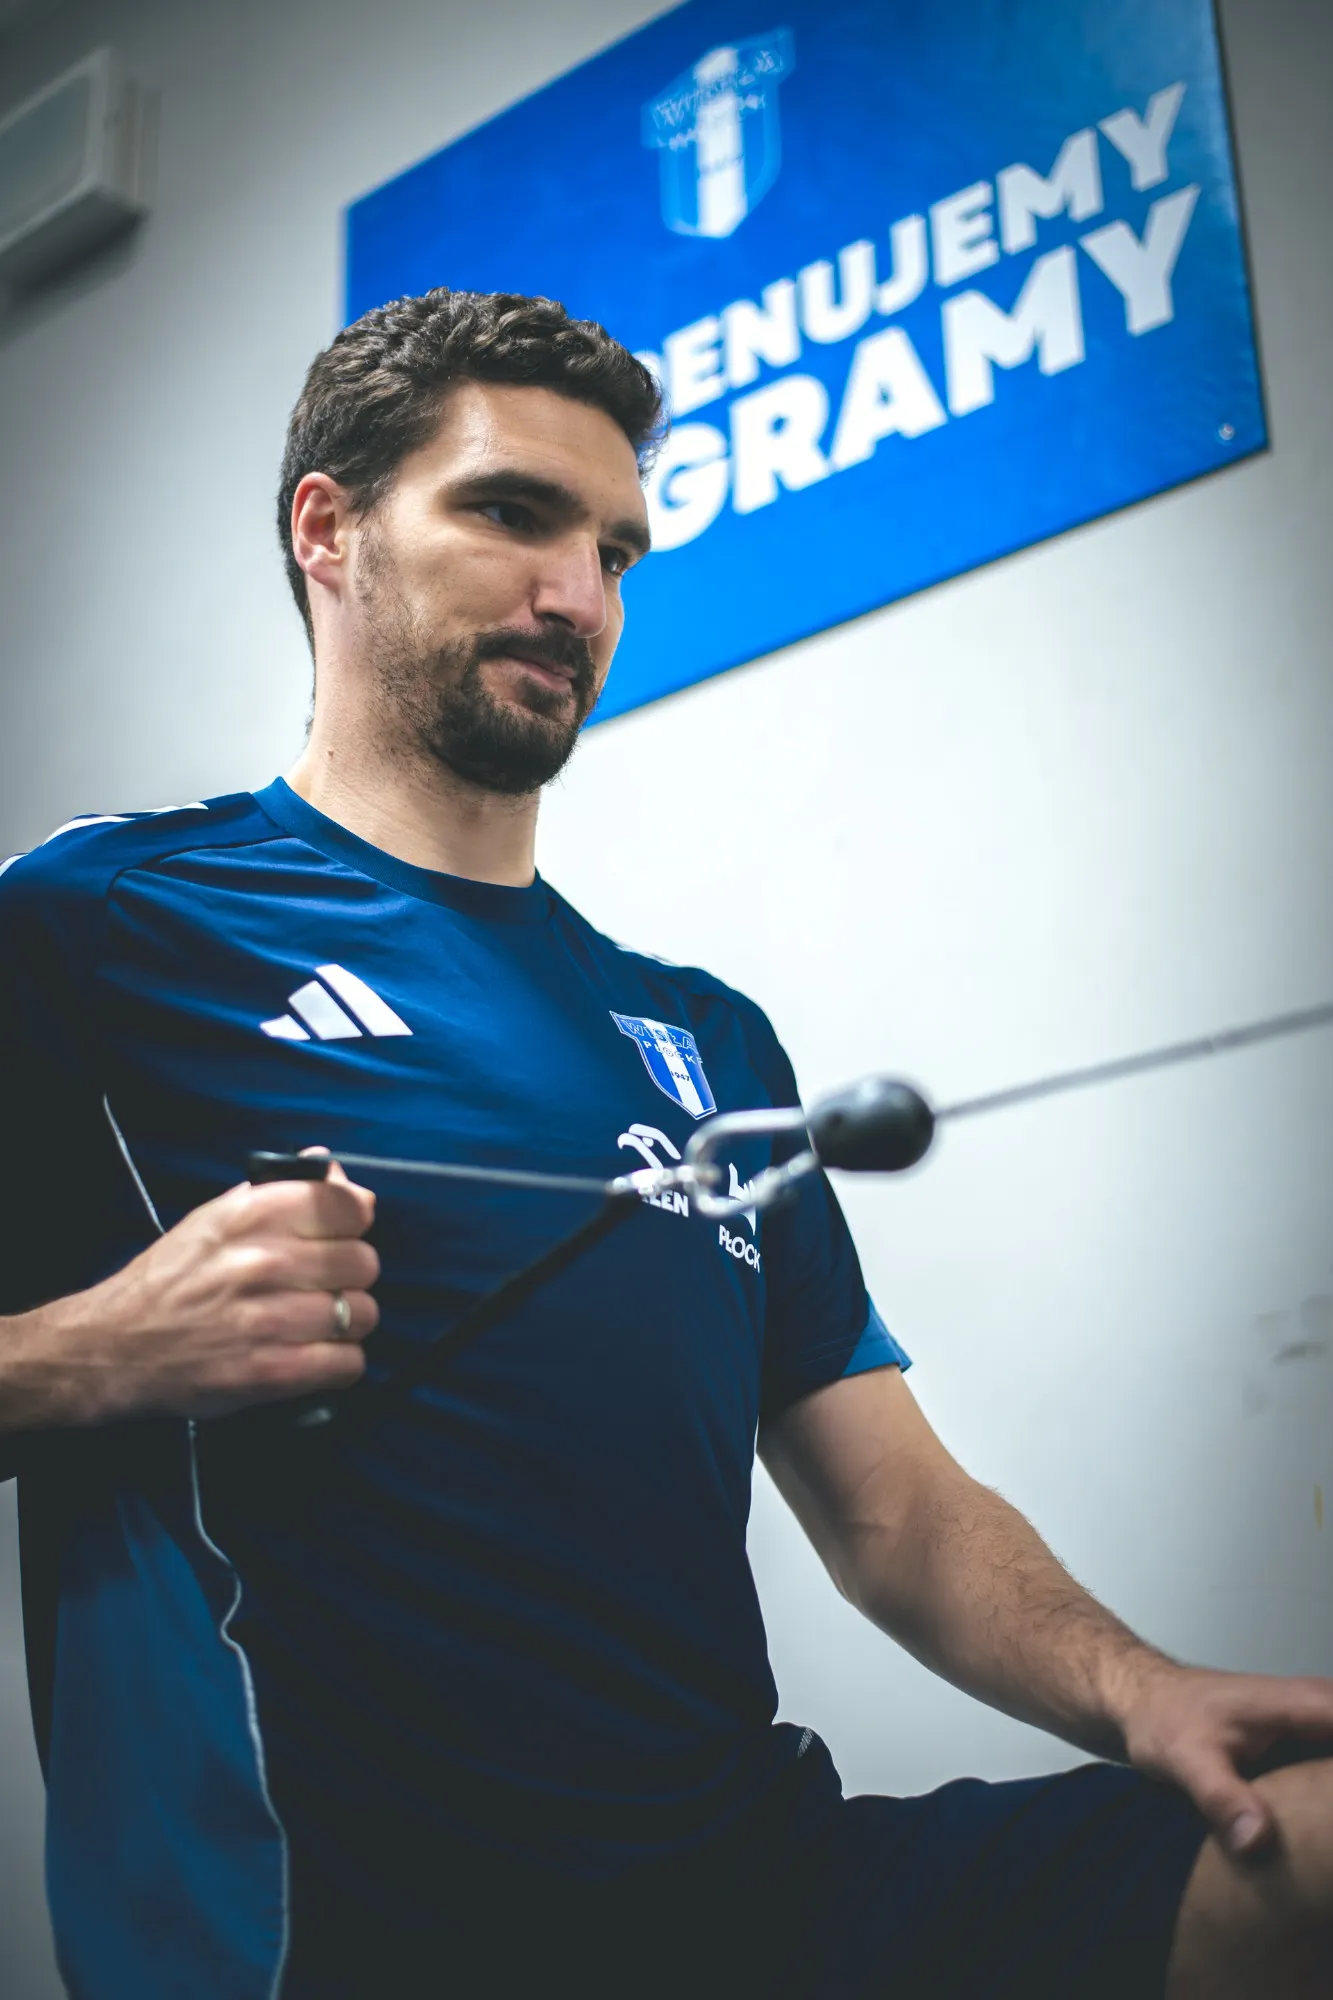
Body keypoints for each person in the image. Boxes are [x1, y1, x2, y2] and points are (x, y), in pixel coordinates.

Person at [0, 289, 1329, 2000]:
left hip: (764, 1894)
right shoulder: (99, 924)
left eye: (616, 550)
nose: (580, 596)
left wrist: (1144, 1692)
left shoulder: (708, 1039)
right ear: (328, 531)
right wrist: (99, 1350)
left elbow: (895, 1511)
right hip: (343, 1948)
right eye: (510, 513)